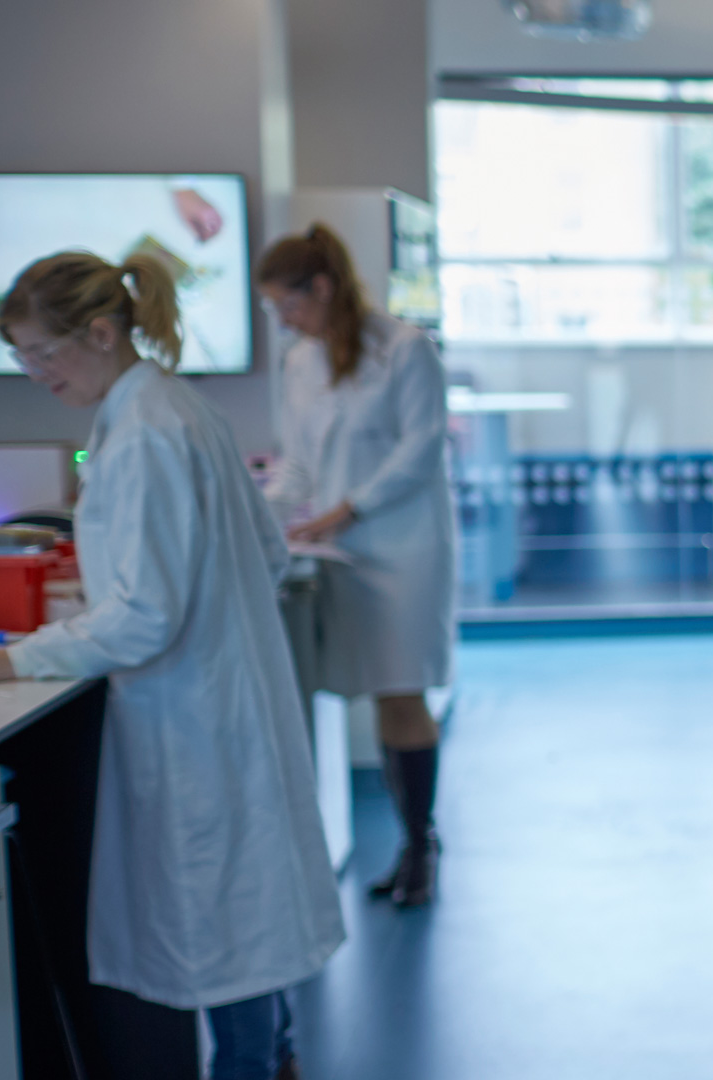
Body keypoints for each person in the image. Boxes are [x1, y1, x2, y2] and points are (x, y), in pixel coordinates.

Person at [0, 251, 343, 1080]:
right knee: (242, 925)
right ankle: (270, 1061)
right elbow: (264, 552)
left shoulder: (140, 435)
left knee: (223, 927)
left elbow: (143, 620)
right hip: (223, 708)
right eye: (20, 356)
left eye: (41, 353)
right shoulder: (176, 408)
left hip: (192, 723)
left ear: (100, 332)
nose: (31, 374)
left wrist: (11, 658)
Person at [256, 225, 456, 908]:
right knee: (372, 692)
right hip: (337, 549)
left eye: (290, 306)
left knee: (402, 693)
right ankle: (409, 845)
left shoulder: (405, 349)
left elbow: (421, 449)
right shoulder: (299, 363)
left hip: (403, 547)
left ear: (324, 287)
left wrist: (347, 506)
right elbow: (297, 464)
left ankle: (419, 845)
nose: (285, 321)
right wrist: (261, 509)